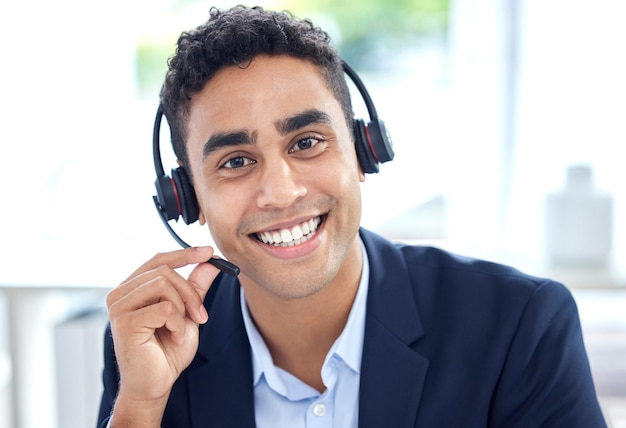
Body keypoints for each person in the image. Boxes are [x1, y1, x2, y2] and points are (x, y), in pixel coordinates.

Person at [98, 5, 607, 428]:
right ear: (189, 200)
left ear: (364, 153)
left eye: (307, 142)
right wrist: (140, 408)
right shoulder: (158, 347)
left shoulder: (520, 325)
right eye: (235, 162)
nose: (281, 191)